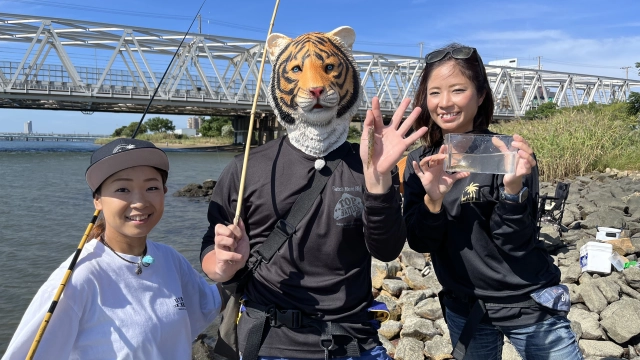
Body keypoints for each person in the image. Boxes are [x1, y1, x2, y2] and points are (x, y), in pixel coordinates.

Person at [200, 27, 426, 359]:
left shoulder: (370, 162)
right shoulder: (246, 166)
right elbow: (211, 246)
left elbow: (388, 250)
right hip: (269, 343)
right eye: (295, 70)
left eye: (331, 68)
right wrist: (220, 267)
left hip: (353, 342)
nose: (315, 84)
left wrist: (379, 181)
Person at [402, 43, 583, 360]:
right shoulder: (421, 162)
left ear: (481, 94)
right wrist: (434, 200)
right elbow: (420, 242)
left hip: (529, 303)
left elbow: (514, 242)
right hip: (466, 306)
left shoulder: (508, 152)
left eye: (458, 90)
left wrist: (513, 189)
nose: (445, 103)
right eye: (434, 93)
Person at [3, 138, 223, 360]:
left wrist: (240, 261)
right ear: (97, 200)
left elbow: (207, 304)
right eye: (122, 189)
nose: (139, 201)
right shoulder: (76, 280)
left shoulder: (169, 259)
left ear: (164, 192)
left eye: (152, 187)